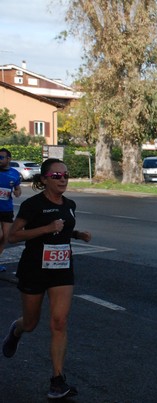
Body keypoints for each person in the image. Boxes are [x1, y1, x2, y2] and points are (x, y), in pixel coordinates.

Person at [2, 158, 92, 399]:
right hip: (34, 269)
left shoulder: (70, 204)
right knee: (31, 323)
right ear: (44, 180)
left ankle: (57, 381)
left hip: (62, 269)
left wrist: (76, 234)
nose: (63, 179)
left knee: (59, 322)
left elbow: (60, 228)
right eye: (56, 176)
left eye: (65, 175)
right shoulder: (33, 205)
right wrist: (45, 228)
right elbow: (13, 236)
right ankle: (16, 330)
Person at [0, 148, 22, 272]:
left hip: (7, 209)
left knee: (5, 237)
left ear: (9, 159)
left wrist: (17, 192)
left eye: (1, 157)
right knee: (0, 235)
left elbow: (17, 188)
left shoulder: (14, 173)